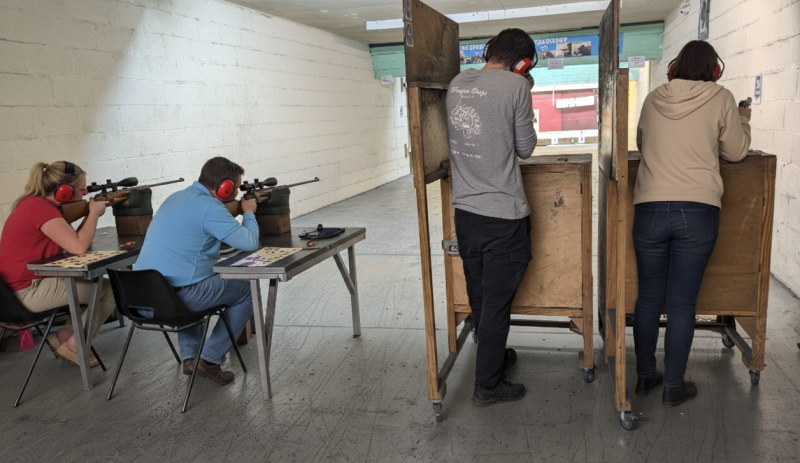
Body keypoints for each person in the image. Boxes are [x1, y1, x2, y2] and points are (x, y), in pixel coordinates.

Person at [633, 40, 751, 406]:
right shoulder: (721, 97)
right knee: (682, 304)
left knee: (649, 299)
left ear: (673, 68)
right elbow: (736, 152)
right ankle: (673, 388)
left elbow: (640, 142)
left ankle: (643, 378)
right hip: (698, 209)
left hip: (649, 207)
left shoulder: (654, 97)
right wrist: (743, 122)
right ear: (715, 71)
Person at [445, 28, 538, 406]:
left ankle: (493, 356)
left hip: (466, 214)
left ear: (489, 52)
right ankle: (487, 386)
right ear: (522, 63)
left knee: (481, 297)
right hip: (503, 216)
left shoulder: (457, 83)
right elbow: (526, 149)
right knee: (497, 306)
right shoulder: (517, 88)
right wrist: (524, 89)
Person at [135, 157, 259, 385]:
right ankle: (210, 360)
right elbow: (249, 242)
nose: (234, 193)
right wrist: (248, 212)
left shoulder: (175, 198)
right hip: (176, 300)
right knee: (247, 290)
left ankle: (191, 357)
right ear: (225, 187)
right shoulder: (209, 206)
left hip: (140, 298)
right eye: (235, 188)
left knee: (196, 281)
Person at [0, 161, 116, 367]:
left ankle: (64, 337)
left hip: (16, 289)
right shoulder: (40, 209)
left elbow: (74, 240)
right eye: (81, 189)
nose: (85, 192)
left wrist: (90, 214)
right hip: (25, 292)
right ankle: (75, 345)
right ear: (63, 191)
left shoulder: (33, 203)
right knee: (108, 291)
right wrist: (94, 214)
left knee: (99, 284)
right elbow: (79, 247)